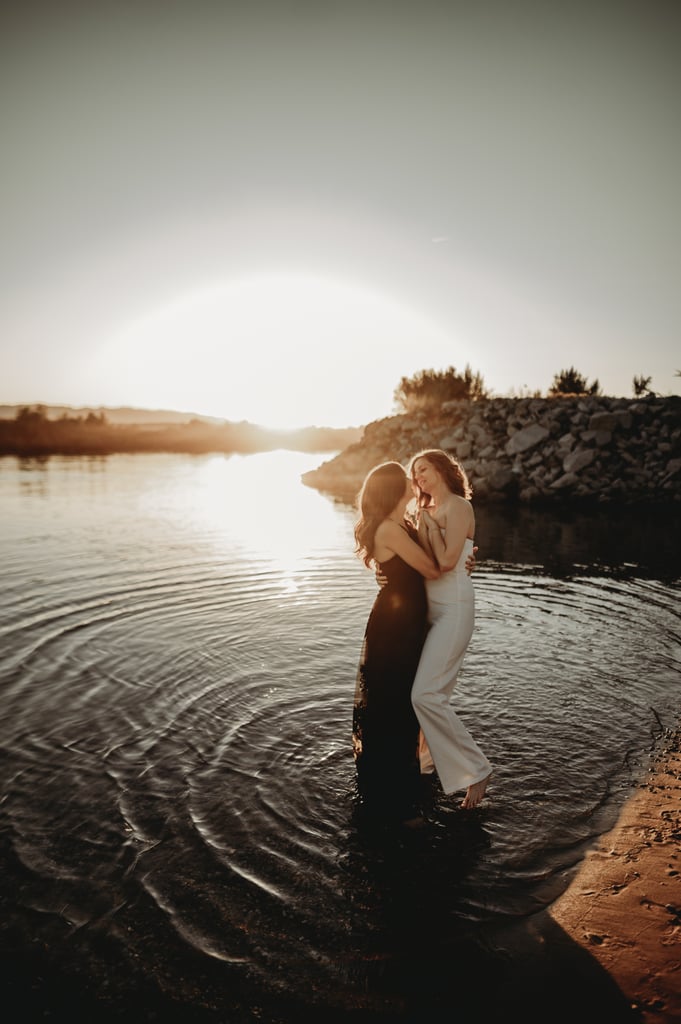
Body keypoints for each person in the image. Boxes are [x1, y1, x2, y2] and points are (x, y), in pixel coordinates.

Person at [352, 461, 442, 827]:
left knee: (403, 703)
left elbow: (431, 565)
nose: (413, 480)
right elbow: (433, 569)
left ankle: (409, 781)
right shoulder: (390, 529)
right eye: (406, 477)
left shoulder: (400, 524)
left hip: (404, 623)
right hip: (395, 628)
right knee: (395, 707)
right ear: (392, 489)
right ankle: (397, 804)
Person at [409, 448, 492, 810]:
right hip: (428, 609)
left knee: (424, 695)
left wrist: (427, 526)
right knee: (431, 693)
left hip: (455, 607)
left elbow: (444, 562)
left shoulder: (458, 506)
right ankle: (427, 765)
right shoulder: (423, 511)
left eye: (423, 468)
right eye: (415, 474)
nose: (419, 477)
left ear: (441, 468)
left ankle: (477, 769)